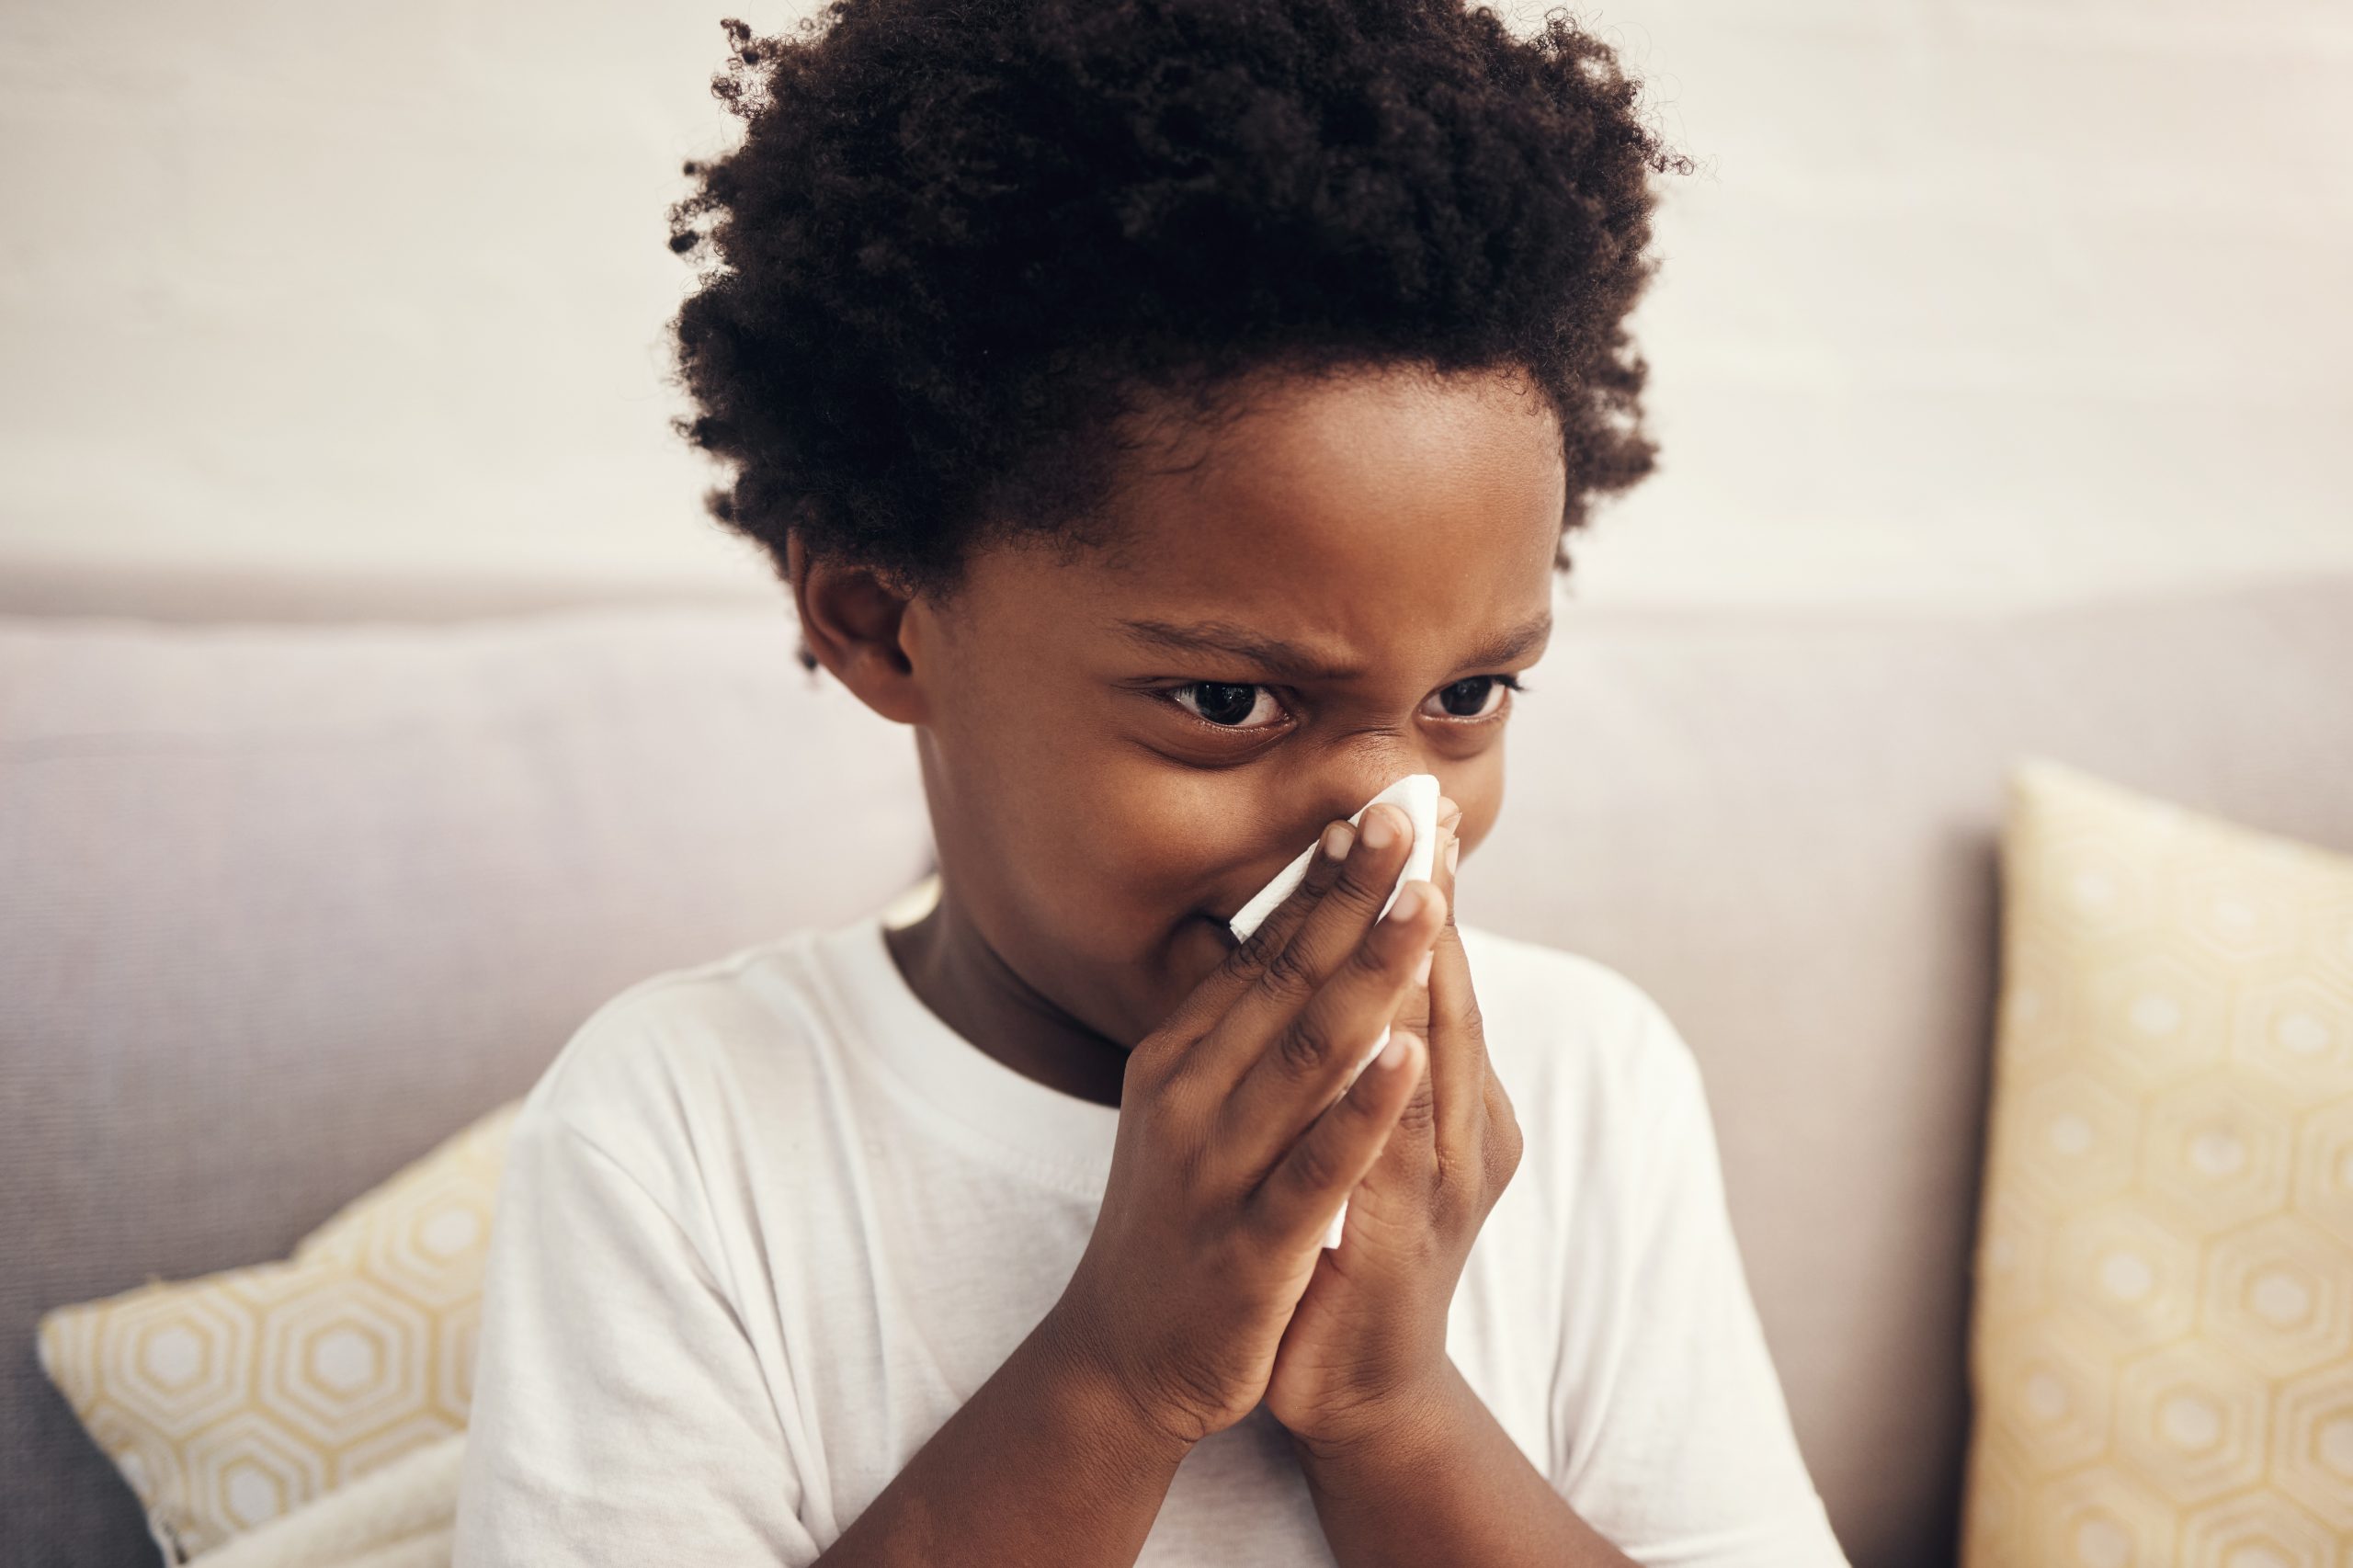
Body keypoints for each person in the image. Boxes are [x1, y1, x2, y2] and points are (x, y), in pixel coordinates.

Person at [453, 0, 1849, 1562]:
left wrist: (1394, 1411)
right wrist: (1122, 1368)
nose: (1397, 832)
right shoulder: (680, 1130)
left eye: (1467, 697)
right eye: (1228, 700)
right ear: (879, 622)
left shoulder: (1590, 1085)